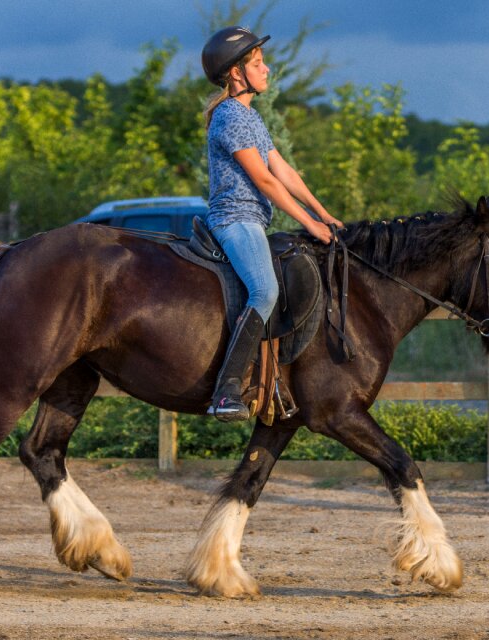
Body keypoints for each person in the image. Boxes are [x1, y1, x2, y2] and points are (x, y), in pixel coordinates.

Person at [201, 26, 342, 422]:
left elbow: (285, 172)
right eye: (259, 64)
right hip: (234, 219)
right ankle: (226, 390)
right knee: (264, 291)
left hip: (253, 220)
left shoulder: (251, 117)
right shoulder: (229, 116)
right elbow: (264, 180)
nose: (267, 70)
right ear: (236, 74)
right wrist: (309, 225)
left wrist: (322, 213)